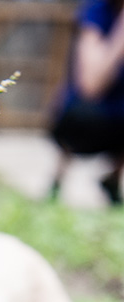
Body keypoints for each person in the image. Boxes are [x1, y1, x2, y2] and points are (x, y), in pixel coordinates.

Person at [50, 0, 124, 204]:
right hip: (86, 114)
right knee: (81, 113)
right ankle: (57, 181)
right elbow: (91, 86)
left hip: (118, 113)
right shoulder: (97, 11)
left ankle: (113, 180)